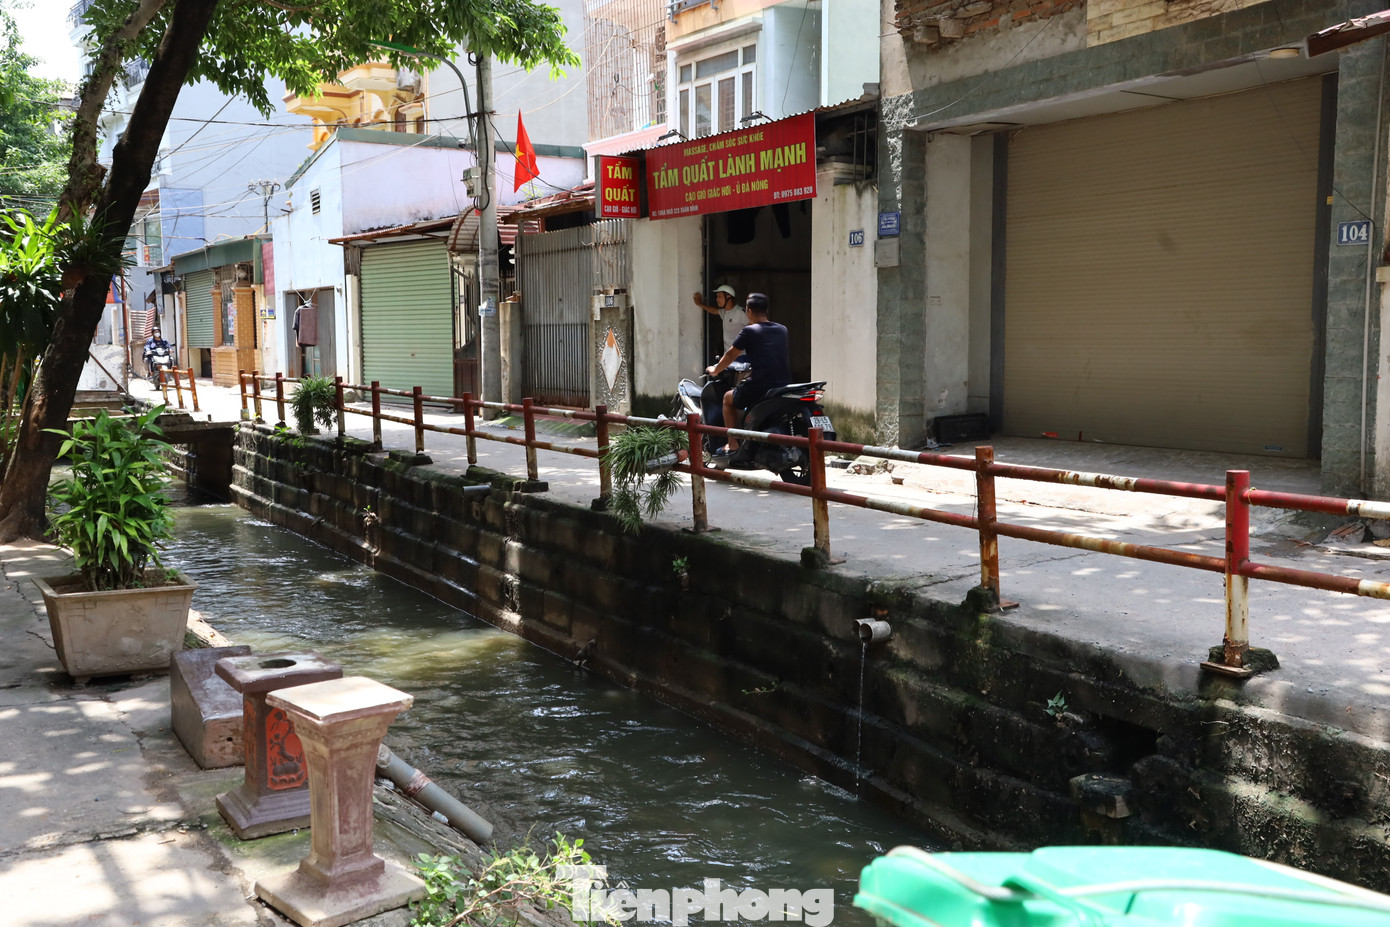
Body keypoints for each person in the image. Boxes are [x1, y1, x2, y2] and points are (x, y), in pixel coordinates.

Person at [704, 292, 790, 456]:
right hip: (783, 385)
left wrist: (715, 370)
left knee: (728, 398)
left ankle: (732, 443)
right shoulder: (782, 330)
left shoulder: (749, 331)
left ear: (748, 311)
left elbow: (730, 355)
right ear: (766, 310)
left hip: (761, 385)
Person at [692, 284, 746, 352]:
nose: (717, 299)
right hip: (728, 356)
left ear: (728, 296)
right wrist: (699, 304)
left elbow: (753, 327)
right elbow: (714, 310)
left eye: (720, 297)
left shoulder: (740, 312)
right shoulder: (724, 312)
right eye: (717, 297)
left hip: (741, 356)